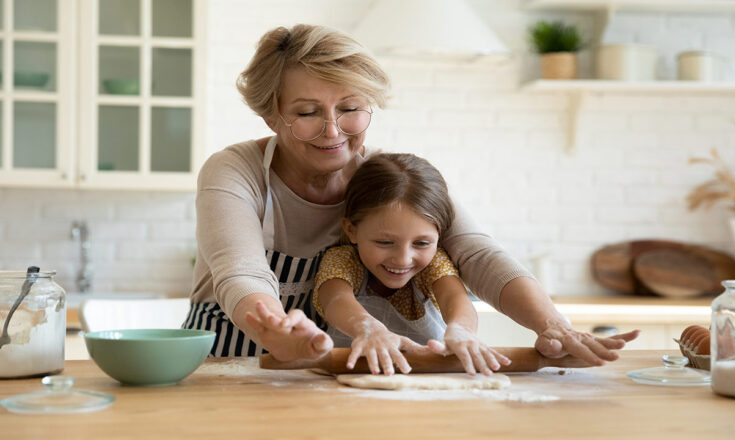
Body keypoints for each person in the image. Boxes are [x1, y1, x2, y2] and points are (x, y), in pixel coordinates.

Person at [183, 23, 639, 365]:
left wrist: (554, 326)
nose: (332, 130)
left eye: (350, 109)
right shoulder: (235, 170)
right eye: (307, 112)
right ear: (271, 116)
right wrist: (277, 327)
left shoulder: (386, 177)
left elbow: (475, 252)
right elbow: (240, 272)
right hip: (227, 362)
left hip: (319, 369)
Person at [313, 153, 509, 376]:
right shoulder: (343, 261)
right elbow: (336, 300)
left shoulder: (433, 265)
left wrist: (462, 330)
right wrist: (368, 329)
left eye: (422, 243)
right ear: (352, 230)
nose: (403, 259)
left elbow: (455, 298)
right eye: (385, 242)